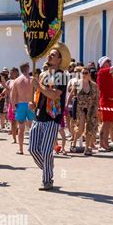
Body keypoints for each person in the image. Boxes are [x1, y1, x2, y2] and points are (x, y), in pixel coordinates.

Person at [28, 42, 71, 191]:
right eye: (50, 54)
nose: (50, 56)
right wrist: (33, 103)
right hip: (38, 115)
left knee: (46, 151)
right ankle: (48, 166)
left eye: (53, 55)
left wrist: (38, 86)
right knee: (32, 149)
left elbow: (54, 95)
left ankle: (47, 179)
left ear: (59, 60)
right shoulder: (43, 74)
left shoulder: (62, 76)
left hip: (52, 118)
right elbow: (40, 95)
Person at [69, 67, 99, 156]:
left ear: (89, 74)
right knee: (81, 128)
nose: (84, 75)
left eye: (86, 73)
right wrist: (67, 104)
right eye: (82, 73)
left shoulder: (94, 85)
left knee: (90, 128)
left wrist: (97, 109)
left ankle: (87, 148)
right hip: (80, 108)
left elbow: (97, 97)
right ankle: (74, 143)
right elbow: (72, 93)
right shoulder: (77, 83)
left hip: (91, 108)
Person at [11, 62, 35, 155]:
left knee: (21, 128)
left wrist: (13, 106)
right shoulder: (32, 79)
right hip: (30, 104)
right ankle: (32, 147)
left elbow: (13, 95)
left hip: (21, 105)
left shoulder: (17, 81)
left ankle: (21, 149)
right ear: (28, 68)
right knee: (32, 127)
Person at [6, 67, 19, 144]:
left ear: (16, 72)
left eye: (11, 73)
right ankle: (14, 139)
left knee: (20, 122)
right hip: (11, 104)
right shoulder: (10, 81)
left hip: (19, 103)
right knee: (13, 122)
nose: (10, 74)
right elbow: (7, 90)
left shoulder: (20, 80)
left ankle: (20, 137)